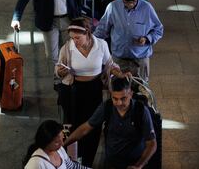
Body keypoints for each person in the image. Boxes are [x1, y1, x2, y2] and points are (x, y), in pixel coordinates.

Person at [55, 18, 125, 166]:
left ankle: (87, 161)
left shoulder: (101, 45)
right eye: (72, 38)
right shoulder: (67, 48)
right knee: (71, 125)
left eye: (78, 38)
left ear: (87, 33)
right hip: (73, 91)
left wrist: (119, 73)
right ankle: (72, 160)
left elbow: (110, 64)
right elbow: (59, 71)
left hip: (94, 89)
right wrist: (60, 71)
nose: (75, 41)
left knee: (93, 125)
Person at [63, 77, 157, 169]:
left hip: (134, 162)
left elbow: (152, 143)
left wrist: (138, 165)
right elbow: (85, 128)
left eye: (123, 98)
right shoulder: (107, 107)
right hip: (111, 163)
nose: (119, 103)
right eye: (115, 98)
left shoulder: (141, 111)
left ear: (131, 94)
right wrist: (63, 144)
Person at [93, 0, 163, 82]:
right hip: (118, 61)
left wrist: (147, 38)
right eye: (126, 2)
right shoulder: (113, 8)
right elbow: (102, 30)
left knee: (141, 92)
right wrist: (90, 40)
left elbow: (158, 30)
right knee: (118, 91)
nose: (131, 5)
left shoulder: (147, 8)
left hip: (140, 61)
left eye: (133, 1)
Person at [23, 120, 90, 169]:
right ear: (46, 142)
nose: (62, 144)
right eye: (57, 142)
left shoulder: (59, 149)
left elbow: (72, 166)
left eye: (62, 138)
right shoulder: (36, 163)